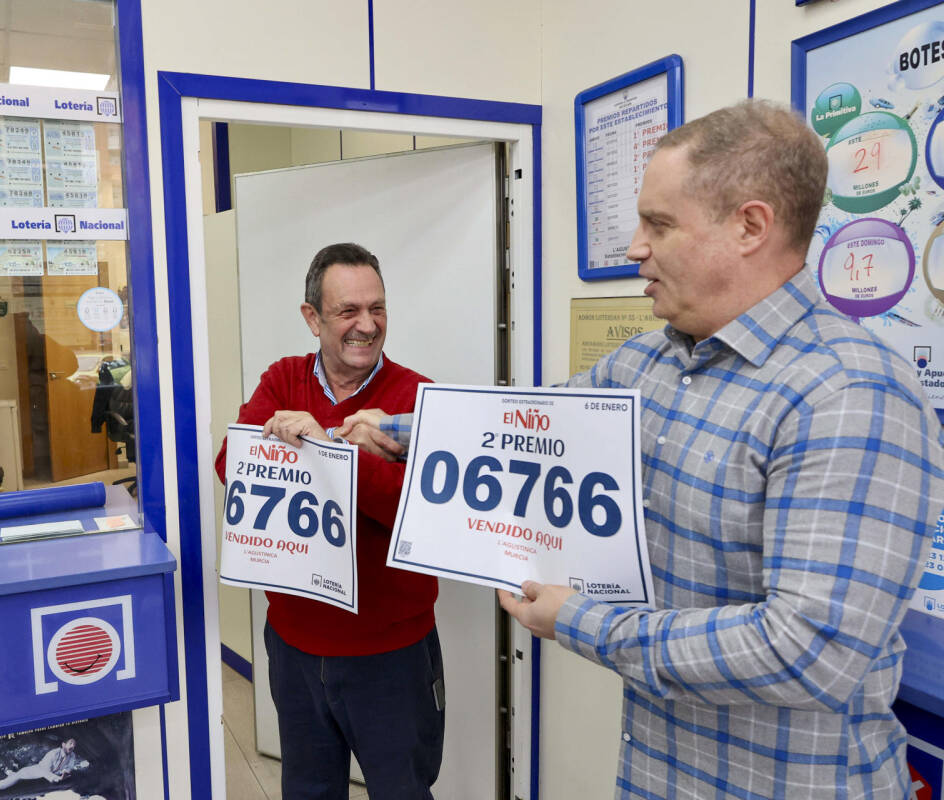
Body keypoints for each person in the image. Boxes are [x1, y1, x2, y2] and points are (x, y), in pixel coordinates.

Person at [342, 101, 944, 798]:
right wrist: (394, 431)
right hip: (661, 772)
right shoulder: (652, 362)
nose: (634, 247)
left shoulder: (850, 393)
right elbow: (538, 427)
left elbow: (807, 650)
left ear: (751, 226)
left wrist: (580, 620)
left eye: (658, 224)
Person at [214, 242, 444, 800]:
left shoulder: (419, 399)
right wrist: (344, 454)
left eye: (378, 309)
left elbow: (420, 512)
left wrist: (329, 454)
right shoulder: (282, 379)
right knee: (309, 790)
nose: (367, 325)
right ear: (312, 318)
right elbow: (232, 466)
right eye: (349, 312)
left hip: (391, 654)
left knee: (403, 790)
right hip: (295, 646)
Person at [0, 737, 82, 790]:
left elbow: (69, 767)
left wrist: (65, 773)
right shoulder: (53, 753)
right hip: (29, 773)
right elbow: (44, 771)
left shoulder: (72, 755)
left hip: (41, 773)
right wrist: (57, 778)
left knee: (12, 776)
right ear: (63, 744)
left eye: (74, 744)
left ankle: (10, 773)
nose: (72, 746)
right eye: (70, 743)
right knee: (4, 785)